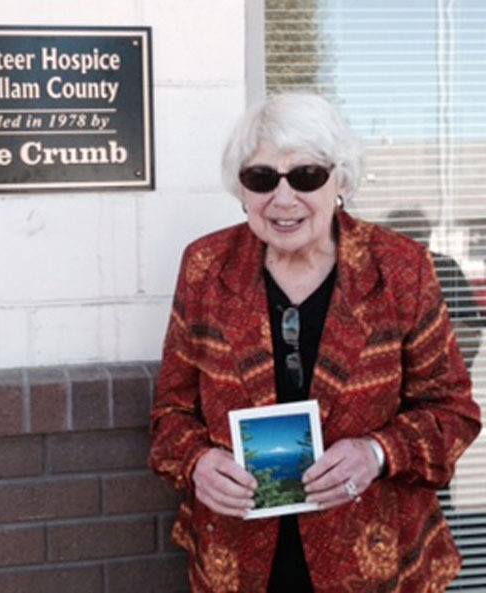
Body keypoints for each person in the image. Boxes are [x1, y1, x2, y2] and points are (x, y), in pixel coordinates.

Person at [149, 92, 482, 593]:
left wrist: (377, 452)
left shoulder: (401, 268)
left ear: (341, 180)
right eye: (261, 179)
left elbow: (454, 412)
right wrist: (198, 462)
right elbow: (170, 415)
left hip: (375, 558)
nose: (283, 200)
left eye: (306, 176)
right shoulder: (205, 267)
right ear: (241, 190)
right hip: (239, 559)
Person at [386, 208, 485, 370]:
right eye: (411, 235)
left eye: (422, 234)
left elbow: (471, 329)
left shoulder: (445, 268)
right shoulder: (379, 273)